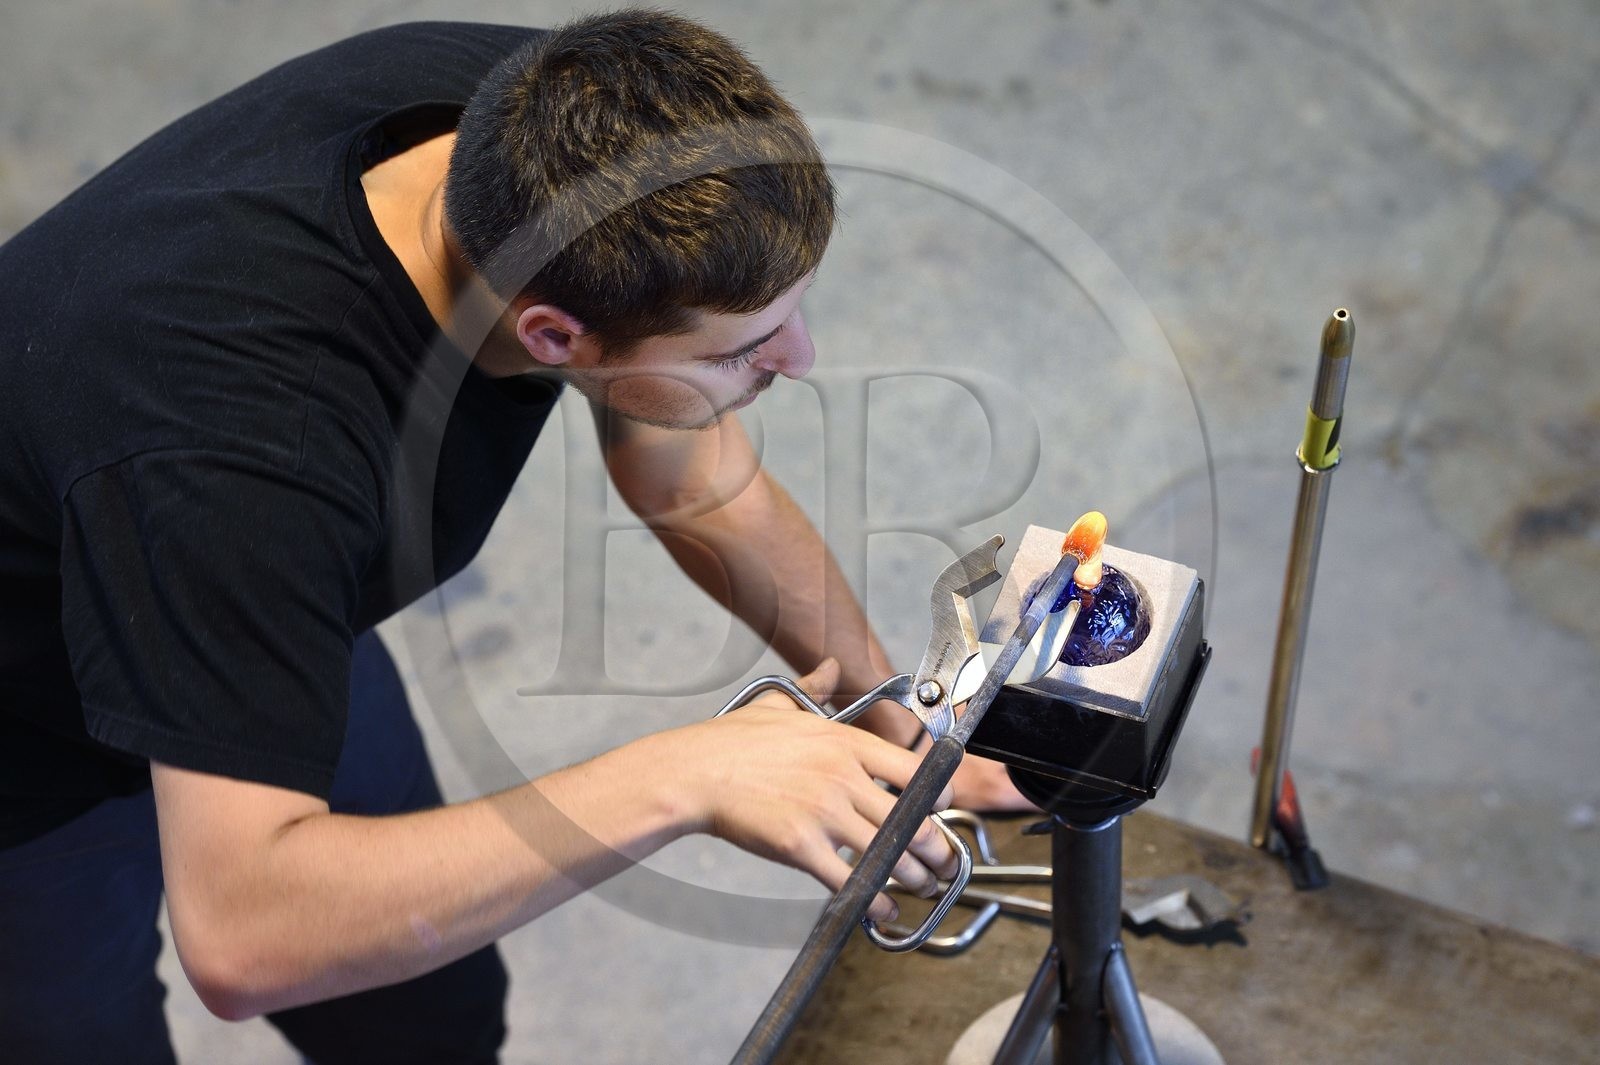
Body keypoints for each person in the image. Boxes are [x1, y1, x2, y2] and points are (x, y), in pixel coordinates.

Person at [0, 11, 1028, 1063]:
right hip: (26, 758)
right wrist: (687, 777)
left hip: (245, 601)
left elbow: (686, 475)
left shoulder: (550, 121)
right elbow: (247, 934)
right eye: (749, 349)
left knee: (428, 1024)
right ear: (550, 337)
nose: (801, 360)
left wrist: (892, 707)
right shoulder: (254, 459)